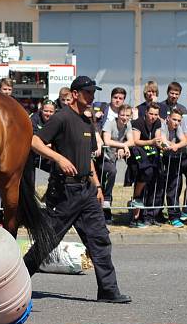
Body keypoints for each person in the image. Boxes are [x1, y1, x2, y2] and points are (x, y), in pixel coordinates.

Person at [23, 75, 131, 304]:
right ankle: (16, 283)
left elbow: (88, 157)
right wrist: (58, 158)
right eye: (88, 92)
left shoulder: (86, 121)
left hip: (87, 191)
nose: (92, 97)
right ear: (74, 94)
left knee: (100, 239)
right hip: (64, 192)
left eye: (93, 93)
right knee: (47, 241)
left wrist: (97, 184)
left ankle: (108, 291)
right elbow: (34, 141)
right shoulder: (61, 118)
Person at [129, 102, 162, 227]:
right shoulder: (138, 123)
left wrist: (163, 145)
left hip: (152, 157)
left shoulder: (157, 123)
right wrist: (151, 141)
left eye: (156, 114)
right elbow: (136, 141)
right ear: (146, 113)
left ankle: (148, 216)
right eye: (151, 114)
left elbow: (158, 139)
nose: (153, 117)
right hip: (139, 158)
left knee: (153, 184)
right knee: (142, 182)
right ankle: (135, 217)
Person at [100, 103, 134, 222]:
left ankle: (106, 212)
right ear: (117, 114)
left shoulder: (128, 124)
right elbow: (107, 141)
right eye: (122, 114)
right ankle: (104, 204)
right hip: (102, 157)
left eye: (127, 115)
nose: (124, 117)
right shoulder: (110, 123)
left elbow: (132, 141)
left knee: (108, 181)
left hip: (112, 156)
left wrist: (122, 147)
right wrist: (123, 145)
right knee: (106, 178)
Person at [154, 109, 187, 226]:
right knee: (159, 188)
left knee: (173, 187)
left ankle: (173, 216)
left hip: (173, 159)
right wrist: (171, 145)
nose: (176, 123)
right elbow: (162, 139)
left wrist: (176, 145)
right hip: (160, 159)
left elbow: (185, 141)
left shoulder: (178, 128)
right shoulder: (162, 125)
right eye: (174, 119)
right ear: (168, 118)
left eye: (178, 120)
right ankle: (156, 214)